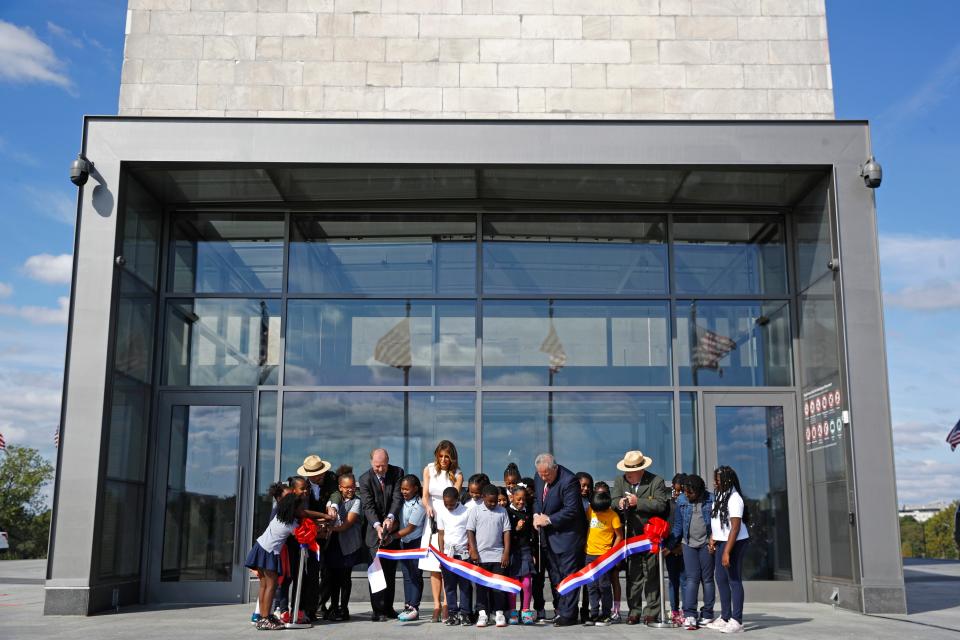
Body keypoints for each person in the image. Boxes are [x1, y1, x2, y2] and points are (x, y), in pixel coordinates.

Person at [610, 450, 669, 625]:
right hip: (631, 536)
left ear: (641, 470)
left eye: (631, 472)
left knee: (651, 575)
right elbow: (613, 501)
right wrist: (619, 503)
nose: (628, 475)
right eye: (626, 471)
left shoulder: (655, 481)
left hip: (651, 536)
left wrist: (638, 502)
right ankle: (634, 611)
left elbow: (661, 504)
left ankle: (651, 611)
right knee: (633, 576)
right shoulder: (620, 481)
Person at [533, 453, 587, 627]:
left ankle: (569, 615)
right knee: (556, 577)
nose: (543, 477)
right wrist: (535, 515)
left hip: (568, 538)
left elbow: (572, 510)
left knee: (569, 576)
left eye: (546, 474)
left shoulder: (569, 481)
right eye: (540, 474)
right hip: (548, 539)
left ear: (555, 468)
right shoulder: (539, 476)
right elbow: (536, 499)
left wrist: (547, 519)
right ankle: (560, 610)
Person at [358, 448, 405, 622]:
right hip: (373, 532)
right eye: (377, 466)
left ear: (388, 461)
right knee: (376, 572)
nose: (380, 469)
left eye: (383, 466)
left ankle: (388, 607)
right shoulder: (364, 479)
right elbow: (368, 506)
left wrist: (390, 518)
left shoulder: (397, 472)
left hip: (391, 530)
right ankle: (377, 610)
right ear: (371, 463)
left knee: (390, 572)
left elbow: (397, 497)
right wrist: (378, 525)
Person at [420, 440, 463, 622]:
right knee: (433, 566)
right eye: (441, 456)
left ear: (452, 458)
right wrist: (428, 507)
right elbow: (424, 496)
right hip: (431, 519)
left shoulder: (458, 474)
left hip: (449, 518)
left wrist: (444, 516)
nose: (444, 459)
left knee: (446, 565)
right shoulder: (428, 469)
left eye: (447, 456)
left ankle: (447, 604)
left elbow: (454, 499)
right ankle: (436, 605)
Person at [245, 492, 302, 631]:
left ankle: (263, 617)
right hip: (269, 552)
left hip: (260, 548)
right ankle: (265, 619)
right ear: (292, 509)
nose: (300, 510)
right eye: (298, 508)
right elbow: (302, 534)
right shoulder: (290, 524)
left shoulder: (278, 517)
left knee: (264, 586)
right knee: (272, 585)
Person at [706, 466, 750, 634]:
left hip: (735, 542)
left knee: (733, 580)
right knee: (720, 578)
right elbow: (718, 521)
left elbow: (735, 528)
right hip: (722, 541)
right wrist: (713, 538)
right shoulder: (720, 494)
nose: (714, 482)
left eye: (717, 479)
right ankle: (725, 617)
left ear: (726, 480)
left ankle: (737, 621)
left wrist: (726, 552)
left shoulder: (735, 498)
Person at [297, 454, 339, 623]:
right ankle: (303, 609)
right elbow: (302, 512)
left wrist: (332, 505)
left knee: (324, 572)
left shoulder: (330, 477)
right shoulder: (301, 485)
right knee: (307, 573)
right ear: (308, 475)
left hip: (325, 535)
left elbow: (336, 492)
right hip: (306, 535)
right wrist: (320, 520)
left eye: (322, 473)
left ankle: (317, 607)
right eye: (316, 475)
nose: (321, 477)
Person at [672, 474, 715, 630]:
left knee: (708, 579)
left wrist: (713, 539)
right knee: (692, 579)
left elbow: (717, 522)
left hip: (706, 544)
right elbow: (677, 525)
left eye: (690, 493)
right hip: (688, 544)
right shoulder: (682, 500)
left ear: (699, 491)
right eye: (685, 492)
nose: (687, 495)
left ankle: (708, 614)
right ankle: (690, 614)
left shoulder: (711, 499)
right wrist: (670, 544)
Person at [466, 484, 512, 628]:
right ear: (483, 497)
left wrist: (506, 553)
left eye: (495, 501)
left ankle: (498, 613)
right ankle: (482, 614)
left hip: (498, 556)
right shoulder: (475, 511)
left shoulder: (503, 511)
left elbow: (507, 532)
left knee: (498, 587)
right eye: (490, 501)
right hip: (480, 557)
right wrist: (473, 550)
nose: (493, 504)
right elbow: (470, 531)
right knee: (481, 587)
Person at [323, 466, 363, 622]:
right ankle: (333, 607)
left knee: (345, 577)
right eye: (346, 487)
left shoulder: (357, 501)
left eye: (353, 486)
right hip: (333, 543)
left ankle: (344, 608)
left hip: (348, 544)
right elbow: (329, 509)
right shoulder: (334, 497)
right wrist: (330, 509)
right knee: (333, 577)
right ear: (340, 487)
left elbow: (347, 524)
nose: (350, 490)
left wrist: (330, 527)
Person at [582, 481, 622, 627]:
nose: (597, 513)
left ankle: (606, 614)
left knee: (604, 585)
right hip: (589, 554)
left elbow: (619, 535)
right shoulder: (591, 509)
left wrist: (612, 552)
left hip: (604, 556)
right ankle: (594, 613)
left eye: (600, 511)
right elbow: (587, 526)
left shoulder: (613, 516)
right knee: (591, 586)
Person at [437, 486, 473, 627]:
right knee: (450, 586)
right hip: (448, 555)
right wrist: (441, 554)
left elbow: (470, 532)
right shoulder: (441, 512)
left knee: (464, 586)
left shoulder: (466, 511)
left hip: (463, 554)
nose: (449, 506)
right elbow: (441, 534)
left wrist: (471, 550)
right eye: (446, 504)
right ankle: (452, 613)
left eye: (451, 504)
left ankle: (465, 614)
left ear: (457, 499)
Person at [394, 474, 426, 621]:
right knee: (407, 575)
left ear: (415, 489)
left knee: (415, 575)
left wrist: (392, 536)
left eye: (407, 489)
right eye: (402, 489)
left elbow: (410, 528)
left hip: (415, 542)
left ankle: (415, 606)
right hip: (404, 543)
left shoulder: (420, 504)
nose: (404, 492)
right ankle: (407, 605)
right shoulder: (401, 502)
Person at [506, 483, 536, 625]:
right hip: (512, 551)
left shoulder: (529, 513)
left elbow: (533, 535)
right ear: (511, 497)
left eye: (523, 499)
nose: (521, 501)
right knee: (513, 583)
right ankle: (512, 611)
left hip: (525, 550)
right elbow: (505, 535)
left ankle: (525, 610)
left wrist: (534, 553)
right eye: (518, 499)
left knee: (527, 582)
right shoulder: (506, 512)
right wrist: (516, 528)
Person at [665, 472, 689, 626]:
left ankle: (687, 611)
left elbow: (687, 527)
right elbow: (667, 527)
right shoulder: (668, 505)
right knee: (673, 580)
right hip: (670, 548)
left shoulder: (688, 504)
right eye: (675, 490)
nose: (678, 494)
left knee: (685, 580)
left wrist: (681, 545)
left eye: (681, 491)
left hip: (685, 547)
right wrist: (671, 546)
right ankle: (674, 610)